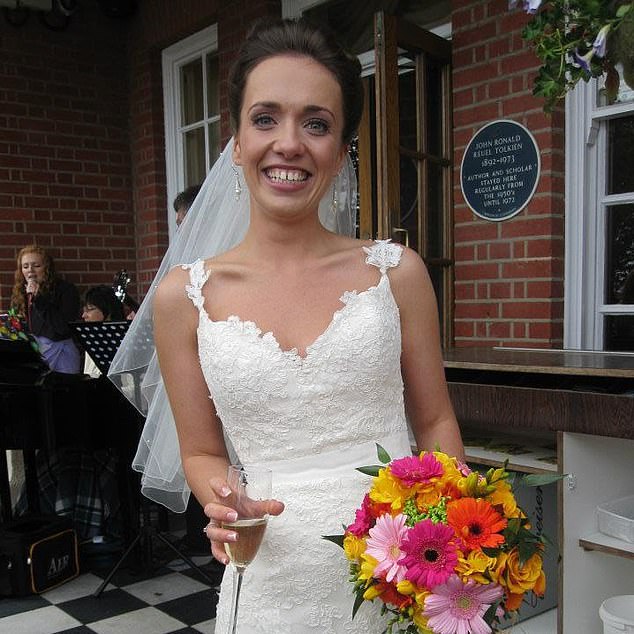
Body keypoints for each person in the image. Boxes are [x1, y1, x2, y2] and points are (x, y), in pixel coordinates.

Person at [110, 17, 464, 633]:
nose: (289, 143)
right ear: (237, 139)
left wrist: (449, 543)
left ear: (343, 144)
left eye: (317, 123)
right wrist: (224, 500)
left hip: (398, 573)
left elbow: (434, 420)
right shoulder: (183, 298)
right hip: (271, 575)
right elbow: (198, 449)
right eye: (266, 117)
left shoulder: (397, 274)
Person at [10, 244, 81, 373]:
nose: (30, 270)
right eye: (25, 266)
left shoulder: (65, 290)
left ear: (46, 268)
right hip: (35, 359)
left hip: (61, 355)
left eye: (36, 266)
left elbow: (63, 327)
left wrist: (39, 300)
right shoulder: (20, 293)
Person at [81, 285, 125, 377]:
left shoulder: (124, 340)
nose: (84, 315)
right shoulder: (91, 337)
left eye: (89, 310)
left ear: (108, 311)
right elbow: (90, 373)